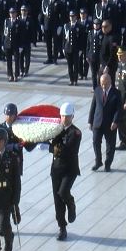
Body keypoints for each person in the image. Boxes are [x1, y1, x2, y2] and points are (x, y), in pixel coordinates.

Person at [47, 103, 81, 241]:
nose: (65, 119)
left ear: (72, 116)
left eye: (67, 116)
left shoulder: (76, 132)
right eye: (62, 116)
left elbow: (66, 150)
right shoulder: (56, 130)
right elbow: (51, 143)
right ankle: (62, 227)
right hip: (56, 170)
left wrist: (51, 147)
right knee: (57, 201)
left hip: (69, 170)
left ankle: (71, 204)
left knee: (63, 192)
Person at [88, 73, 121, 172]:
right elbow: (93, 106)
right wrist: (90, 121)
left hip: (110, 124)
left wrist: (115, 121)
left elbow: (118, 109)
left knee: (110, 145)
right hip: (97, 122)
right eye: (102, 83)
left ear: (110, 82)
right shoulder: (97, 90)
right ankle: (98, 161)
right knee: (95, 142)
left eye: (105, 84)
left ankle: (108, 163)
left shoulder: (116, 93)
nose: (103, 86)